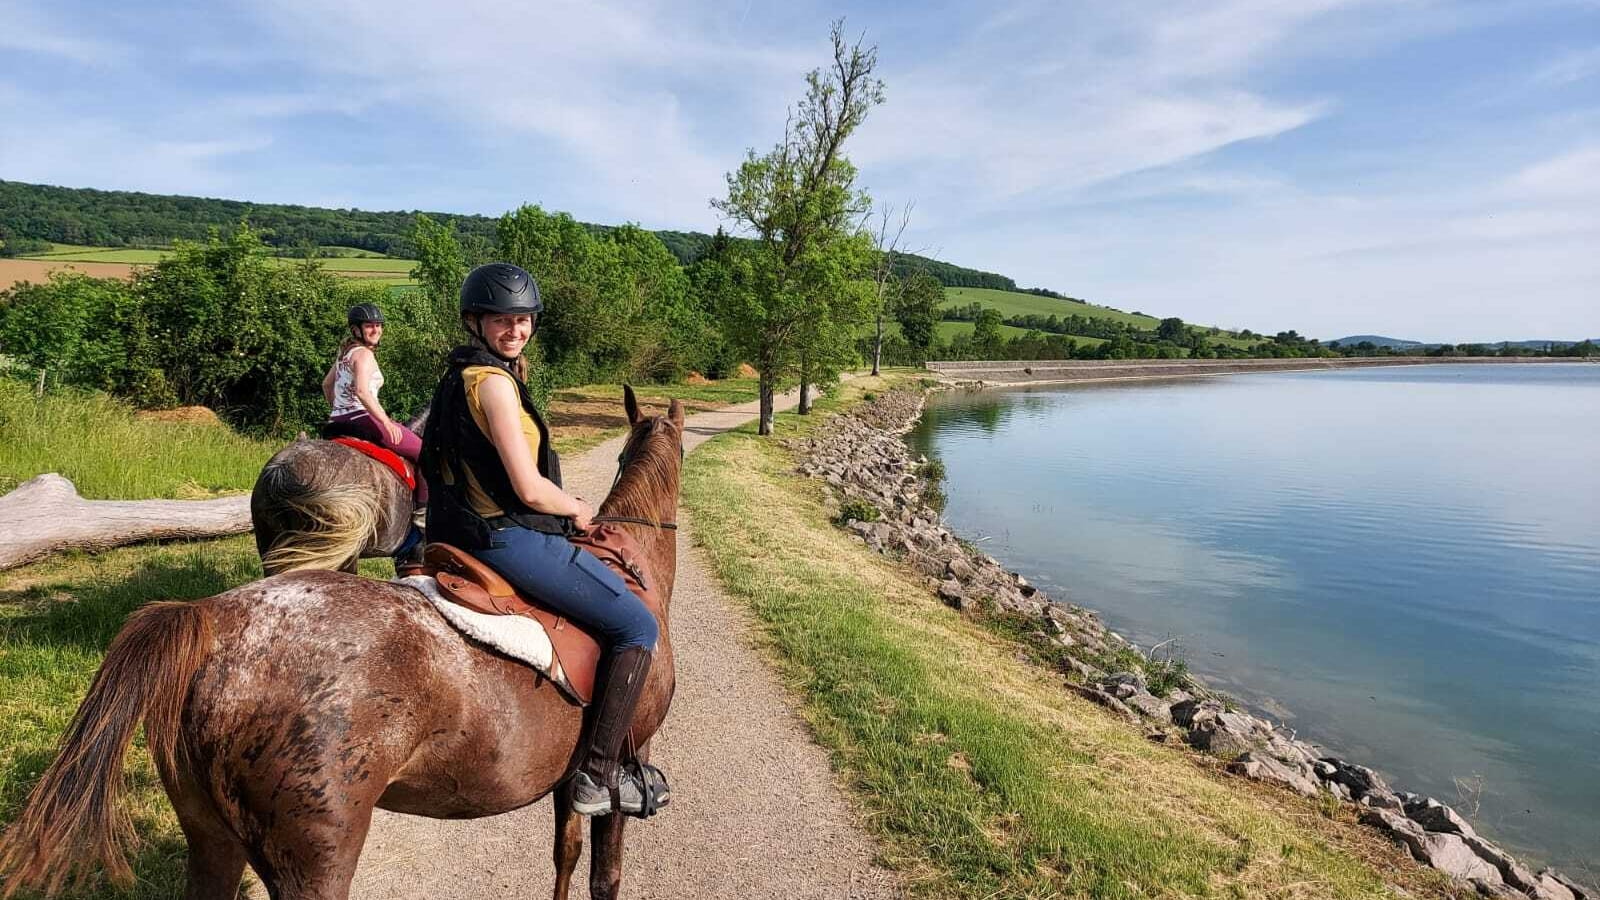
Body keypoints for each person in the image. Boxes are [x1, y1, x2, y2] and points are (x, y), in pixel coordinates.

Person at [419, 262, 665, 817]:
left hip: (460, 528)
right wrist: (576, 507)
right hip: (504, 537)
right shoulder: (496, 386)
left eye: (524, 318)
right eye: (502, 318)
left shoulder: (459, 376)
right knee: (636, 624)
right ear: (475, 322)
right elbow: (530, 490)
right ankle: (598, 775)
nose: (515, 328)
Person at [322, 303, 428, 509]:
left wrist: (338, 410)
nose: (376, 330)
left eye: (379, 325)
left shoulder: (344, 353)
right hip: (362, 418)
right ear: (355, 330)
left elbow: (326, 384)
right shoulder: (364, 354)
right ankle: (423, 510)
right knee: (425, 452)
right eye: (370, 326)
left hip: (338, 421)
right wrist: (386, 423)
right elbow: (362, 392)